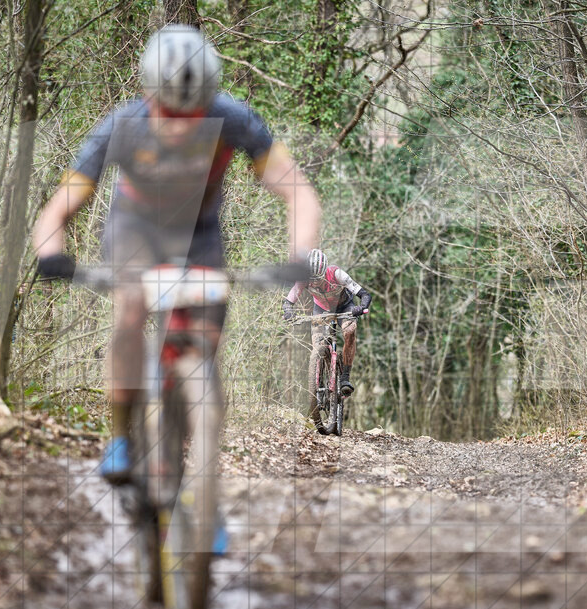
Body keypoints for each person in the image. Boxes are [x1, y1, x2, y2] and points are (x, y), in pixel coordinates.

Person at [31, 25, 321, 482]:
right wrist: (51, 253)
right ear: (150, 95)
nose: (184, 123)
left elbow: (297, 193)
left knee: (206, 346)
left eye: (196, 112)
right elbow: (61, 205)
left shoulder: (235, 120)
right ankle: (120, 438)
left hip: (199, 234)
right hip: (135, 228)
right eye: (171, 111)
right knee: (130, 309)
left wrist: (299, 254)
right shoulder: (123, 126)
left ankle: (201, 481)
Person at [282, 249, 372, 396]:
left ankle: (345, 378)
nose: (315, 282)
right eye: (312, 279)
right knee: (318, 341)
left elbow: (365, 294)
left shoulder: (337, 274)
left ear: (324, 272)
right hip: (321, 309)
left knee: (349, 331)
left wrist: (361, 307)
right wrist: (288, 312)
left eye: (318, 278)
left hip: (345, 306)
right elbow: (288, 301)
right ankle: (319, 376)